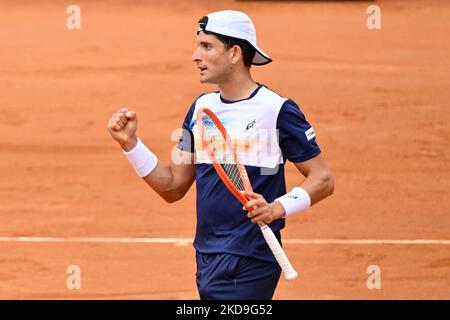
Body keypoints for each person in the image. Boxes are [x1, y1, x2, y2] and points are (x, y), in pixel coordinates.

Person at [107, 10, 334, 300]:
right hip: (206, 255)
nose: (195, 56)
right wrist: (131, 144)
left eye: (206, 46)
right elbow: (173, 186)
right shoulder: (201, 110)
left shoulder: (276, 110)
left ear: (235, 53)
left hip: (249, 257)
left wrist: (278, 208)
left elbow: (322, 178)